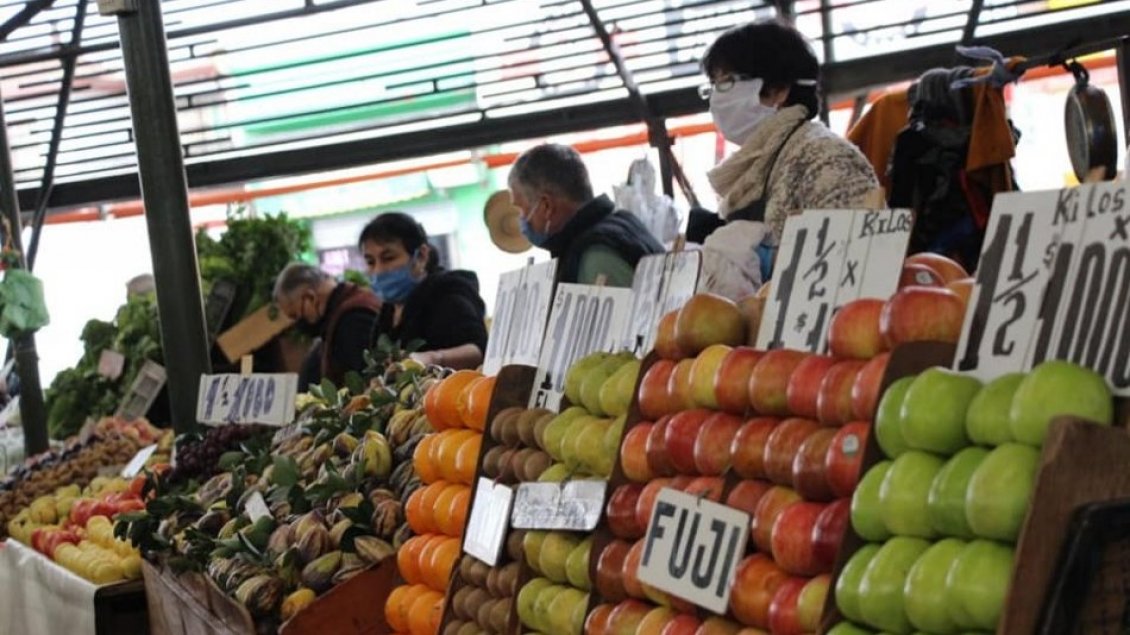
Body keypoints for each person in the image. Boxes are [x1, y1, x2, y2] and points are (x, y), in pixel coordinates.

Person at [695, 20, 879, 300]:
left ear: (779, 89)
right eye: (713, 85)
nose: (716, 99)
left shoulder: (825, 157)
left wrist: (769, 261)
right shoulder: (759, 167)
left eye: (727, 82)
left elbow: (855, 266)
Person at [508, 143, 664, 286]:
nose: (522, 220)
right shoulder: (624, 223)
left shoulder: (595, 257)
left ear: (546, 206)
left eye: (521, 209)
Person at [359, 212, 487, 370]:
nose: (378, 270)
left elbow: (479, 350)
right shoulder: (387, 312)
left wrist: (432, 358)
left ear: (421, 256)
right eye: (370, 262)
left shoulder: (447, 294)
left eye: (389, 258)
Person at [273, 263, 381, 386]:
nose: (297, 324)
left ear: (310, 297)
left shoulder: (352, 321)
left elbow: (371, 383)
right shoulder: (347, 307)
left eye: (295, 316)